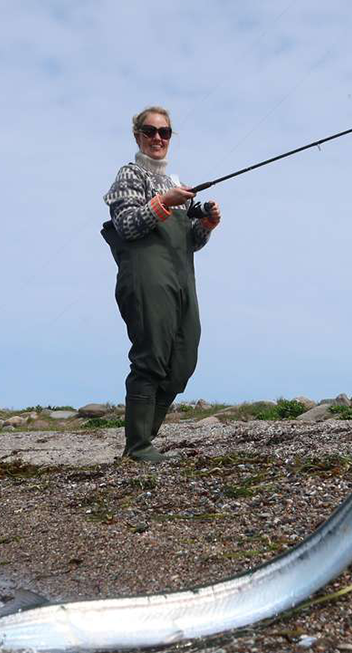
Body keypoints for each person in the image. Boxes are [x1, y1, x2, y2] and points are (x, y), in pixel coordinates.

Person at [100, 106, 221, 463]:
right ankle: (138, 445)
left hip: (181, 278)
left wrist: (206, 225)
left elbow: (190, 241)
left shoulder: (174, 181)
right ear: (137, 135)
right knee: (150, 356)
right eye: (150, 131)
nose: (157, 138)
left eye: (164, 132)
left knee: (184, 359)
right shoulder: (129, 175)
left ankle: (144, 440)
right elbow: (128, 225)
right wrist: (164, 202)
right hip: (145, 278)